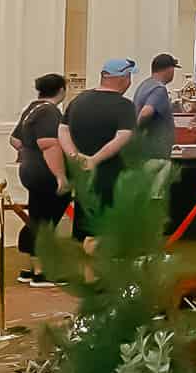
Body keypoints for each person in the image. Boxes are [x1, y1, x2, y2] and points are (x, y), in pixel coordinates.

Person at [58, 58, 138, 244]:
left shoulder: (79, 100)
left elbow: (62, 129)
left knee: (83, 226)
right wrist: (95, 159)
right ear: (124, 78)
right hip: (111, 176)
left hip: (82, 176)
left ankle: (84, 268)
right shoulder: (124, 106)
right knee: (105, 232)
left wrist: (74, 155)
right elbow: (124, 136)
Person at [9, 74, 70, 285]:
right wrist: (60, 176)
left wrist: (28, 153)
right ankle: (41, 271)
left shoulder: (32, 109)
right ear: (61, 89)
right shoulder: (49, 112)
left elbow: (15, 140)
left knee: (36, 217)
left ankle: (31, 267)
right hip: (45, 174)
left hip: (29, 171)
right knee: (45, 220)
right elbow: (49, 144)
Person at [132, 53, 179, 165]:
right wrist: (136, 132)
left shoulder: (145, 85)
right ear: (170, 70)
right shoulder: (159, 89)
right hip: (156, 154)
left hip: (146, 152)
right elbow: (145, 113)